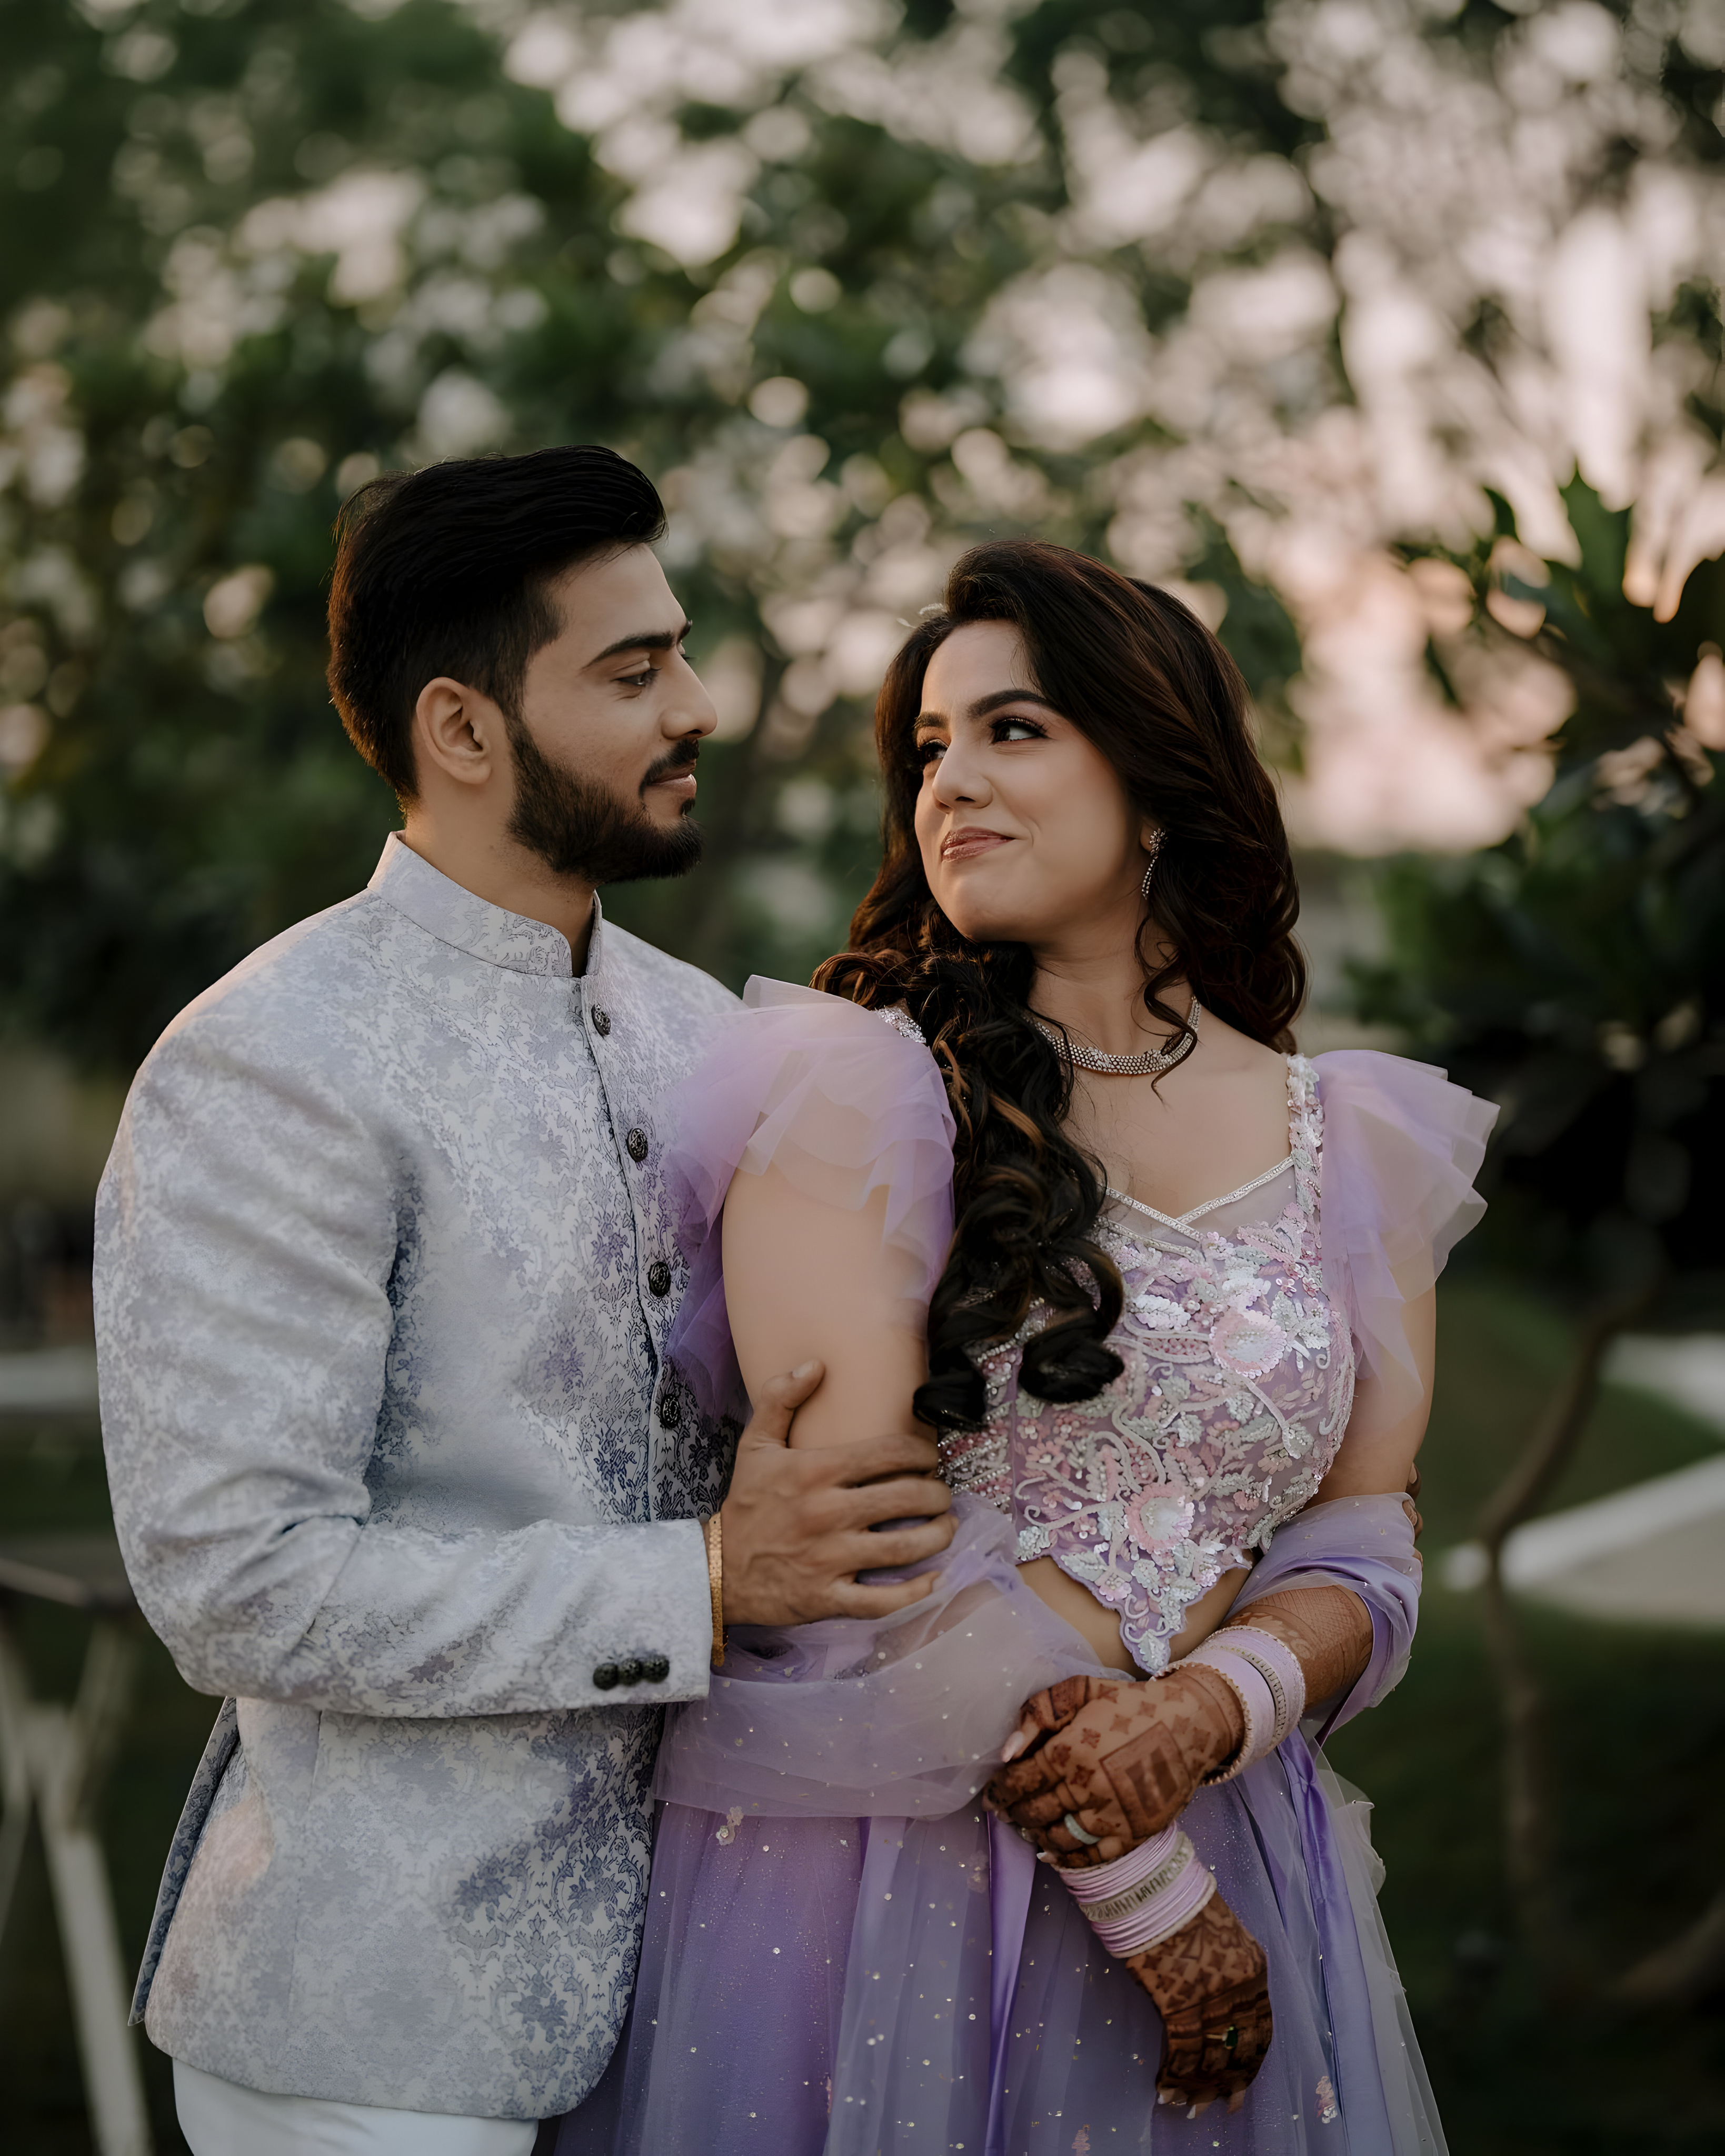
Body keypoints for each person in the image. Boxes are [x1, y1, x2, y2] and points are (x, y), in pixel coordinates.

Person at [554, 540, 1495, 2154]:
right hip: (892, 1874)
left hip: (1236, 1806)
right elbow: (860, 1535)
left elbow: (1365, 1537)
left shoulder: (1352, 1133)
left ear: (1156, 782)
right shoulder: (857, 1092)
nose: (953, 784)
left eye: (1014, 730)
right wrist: (1140, 1882)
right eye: (930, 748)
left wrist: (1210, 1714)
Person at [93, 446, 954, 2156]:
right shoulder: (269, 1067)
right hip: (378, 2037)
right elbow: (238, 1585)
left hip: (717, 1988)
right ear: (463, 731)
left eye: (680, 652)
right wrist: (702, 1580)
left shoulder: (708, 1031)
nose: (696, 704)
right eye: (631, 673)